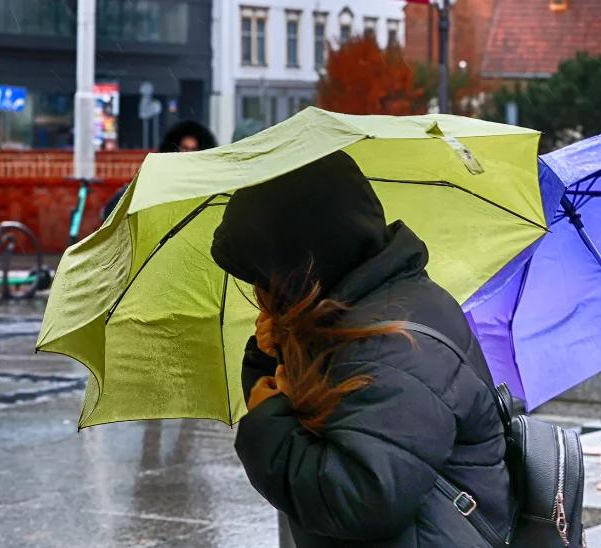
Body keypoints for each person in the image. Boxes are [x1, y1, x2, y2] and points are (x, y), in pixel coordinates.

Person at [210, 151, 512, 547]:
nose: (259, 292)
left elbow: (361, 497)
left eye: (265, 275)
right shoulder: (361, 311)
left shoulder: (390, 346)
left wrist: (270, 425)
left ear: (302, 265)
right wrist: (270, 356)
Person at [101, 120, 217, 219]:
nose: (188, 153)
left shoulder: (204, 182)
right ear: (177, 148)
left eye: (193, 149)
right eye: (185, 148)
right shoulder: (162, 175)